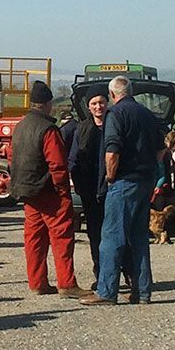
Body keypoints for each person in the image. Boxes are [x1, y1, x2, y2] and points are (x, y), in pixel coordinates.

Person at [81, 75, 164, 306]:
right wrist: (152, 172)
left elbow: (112, 151)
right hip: (145, 181)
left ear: (112, 95)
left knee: (111, 237)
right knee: (138, 237)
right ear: (131, 91)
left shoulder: (115, 114)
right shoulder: (147, 114)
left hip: (124, 181)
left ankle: (107, 291)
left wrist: (110, 177)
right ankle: (142, 291)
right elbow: (161, 148)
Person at [10, 81, 91, 298]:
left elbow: (13, 158)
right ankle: (66, 283)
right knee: (62, 236)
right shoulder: (48, 129)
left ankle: (37, 282)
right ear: (48, 103)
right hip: (48, 191)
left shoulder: (21, 125)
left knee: (34, 238)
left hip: (28, 190)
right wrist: (63, 191)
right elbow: (57, 164)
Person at [67, 86, 107, 290]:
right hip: (90, 191)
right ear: (88, 107)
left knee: (118, 234)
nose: (98, 106)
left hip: (112, 190)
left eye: (101, 102)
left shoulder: (115, 124)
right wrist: (75, 182)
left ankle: (126, 274)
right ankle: (100, 274)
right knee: (95, 235)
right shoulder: (81, 129)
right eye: (94, 103)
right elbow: (73, 158)